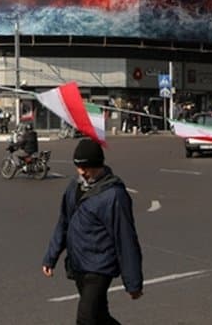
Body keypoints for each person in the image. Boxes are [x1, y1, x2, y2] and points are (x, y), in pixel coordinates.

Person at [43, 138, 143, 325]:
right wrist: (51, 256)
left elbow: (126, 239)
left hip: (100, 267)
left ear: (98, 165)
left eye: (86, 167)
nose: (81, 172)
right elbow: (64, 222)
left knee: (86, 318)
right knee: (99, 317)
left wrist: (133, 282)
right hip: (79, 264)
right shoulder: (74, 187)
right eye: (78, 167)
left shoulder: (114, 195)